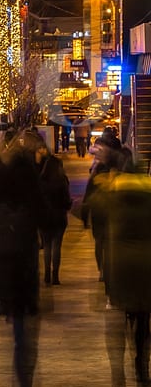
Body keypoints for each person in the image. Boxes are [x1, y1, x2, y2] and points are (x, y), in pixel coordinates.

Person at [0, 145, 46, 386]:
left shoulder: (1, 195)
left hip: (7, 276)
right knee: (27, 337)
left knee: (19, 332)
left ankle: (20, 375)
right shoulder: (32, 199)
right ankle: (24, 377)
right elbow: (49, 219)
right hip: (27, 275)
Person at [103, 163, 151, 384]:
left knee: (118, 319)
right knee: (143, 319)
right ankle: (142, 364)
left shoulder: (114, 199)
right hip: (146, 268)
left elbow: (84, 210)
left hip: (120, 268)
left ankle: (117, 369)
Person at [81, 135, 123, 282]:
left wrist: (84, 216)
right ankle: (107, 269)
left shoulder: (97, 170)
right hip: (111, 212)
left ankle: (102, 270)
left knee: (100, 242)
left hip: (99, 212)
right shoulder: (118, 169)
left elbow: (88, 194)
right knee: (108, 242)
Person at [35, 141, 71, 285]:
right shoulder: (63, 181)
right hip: (59, 217)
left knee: (47, 246)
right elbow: (67, 200)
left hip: (44, 217)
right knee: (57, 246)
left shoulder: (41, 181)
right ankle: (55, 275)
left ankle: (47, 275)